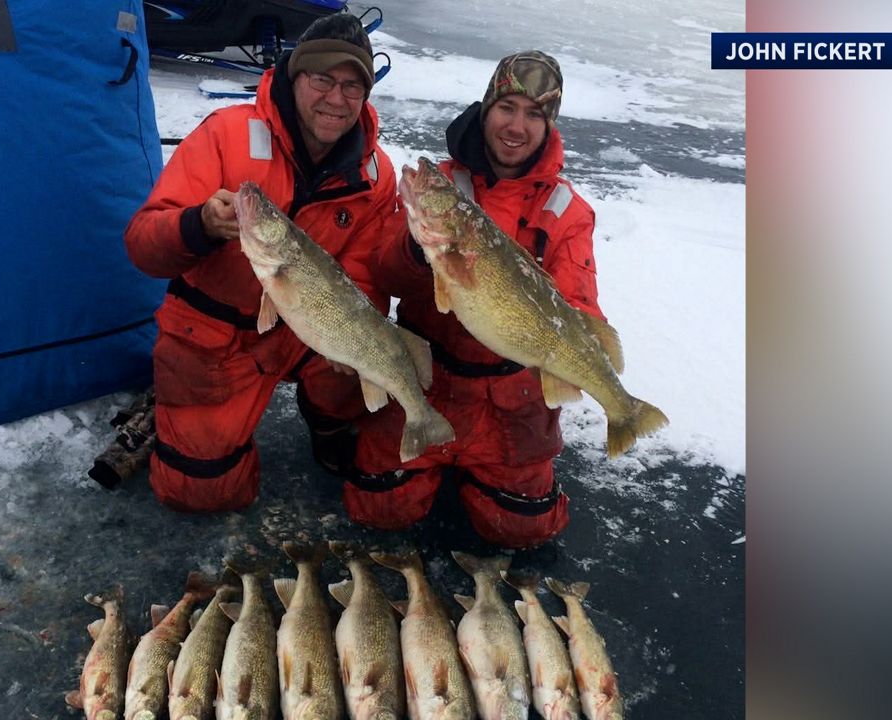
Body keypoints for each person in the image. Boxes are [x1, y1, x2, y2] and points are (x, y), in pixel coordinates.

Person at [124, 14, 398, 512]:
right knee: (201, 491)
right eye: (322, 80)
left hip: (307, 325)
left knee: (365, 365)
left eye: (352, 86)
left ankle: (329, 417)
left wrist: (349, 339)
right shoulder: (226, 134)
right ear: (296, 77)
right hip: (216, 334)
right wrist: (198, 225)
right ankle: (177, 409)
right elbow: (143, 245)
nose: (337, 99)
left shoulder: (376, 176)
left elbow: (366, 277)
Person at [345, 51, 605, 549]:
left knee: (521, 530)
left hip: (511, 399)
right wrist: (419, 254)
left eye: (535, 114)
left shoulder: (567, 210)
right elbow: (383, 270)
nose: (517, 125)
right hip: (428, 378)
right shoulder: (441, 184)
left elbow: (578, 302)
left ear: (549, 125)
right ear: (486, 109)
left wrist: (578, 355)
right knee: (378, 507)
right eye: (507, 106)